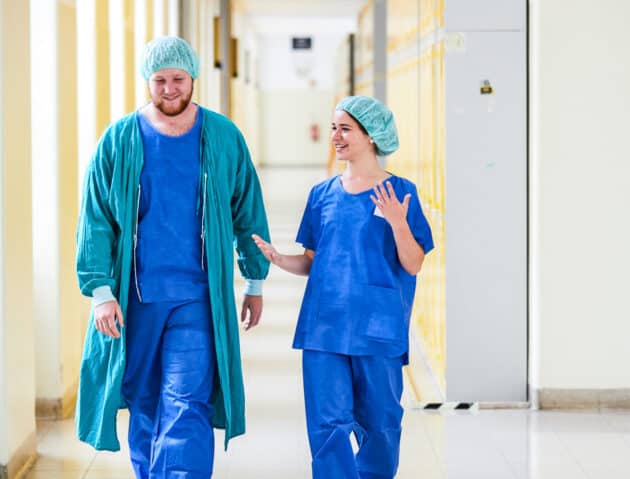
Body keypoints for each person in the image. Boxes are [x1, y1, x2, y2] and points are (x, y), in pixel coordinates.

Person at [75, 36, 270, 478]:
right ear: (147, 81)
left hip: (198, 299)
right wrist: (101, 291)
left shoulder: (221, 137)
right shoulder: (120, 140)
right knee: (144, 403)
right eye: (159, 80)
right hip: (137, 298)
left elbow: (248, 211)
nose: (169, 89)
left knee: (186, 401)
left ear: (193, 78)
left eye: (178, 79)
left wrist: (254, 282)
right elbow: (96, 220)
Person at [253, 95, 434, 479]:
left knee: (381, 427)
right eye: (333, 127)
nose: (335, 136)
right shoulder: (322, 195)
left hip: (377, 331)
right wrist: (279, 259)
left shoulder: (402, 192)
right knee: (327, 428)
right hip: (324, 329)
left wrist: (398, 222)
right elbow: (314, 262)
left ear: (371, 137)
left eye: (345, 129)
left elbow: (413, 263)